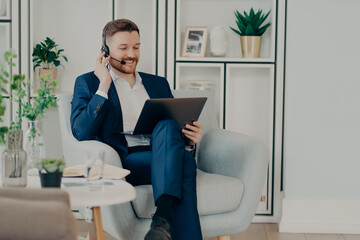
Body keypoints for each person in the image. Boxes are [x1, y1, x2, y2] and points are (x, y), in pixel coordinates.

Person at [70, 19, 203, 240]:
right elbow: (81, 132)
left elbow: (174, 133)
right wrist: (103, 86)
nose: (131, 54)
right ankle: (163, 219)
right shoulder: (88, 82)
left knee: (174, 135)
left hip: (161, 154)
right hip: (126, 160)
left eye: (136, 47)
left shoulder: (158, 83)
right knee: (185, 162)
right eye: (123, 48)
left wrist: (189, 140)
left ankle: (161, 223)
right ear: (105, 51)